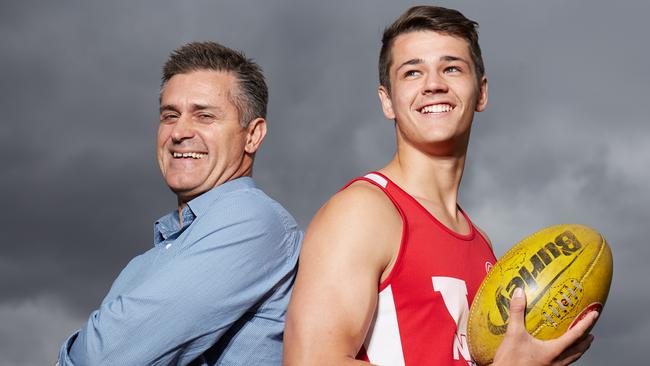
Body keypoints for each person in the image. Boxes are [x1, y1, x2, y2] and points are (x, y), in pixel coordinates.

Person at [283, 6, 596, 366]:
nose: (433, 84)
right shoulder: (364, 212)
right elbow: (309, 361)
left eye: (451, 68)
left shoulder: (483, 245)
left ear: (481, 93)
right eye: (412, 72)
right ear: (387, 101)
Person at [57, 41, 302, 365]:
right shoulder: (151, 258)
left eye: (204, 116)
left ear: (253, 135)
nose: (179, 132)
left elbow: (104, 356)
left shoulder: (251, 219)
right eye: (170, 115)